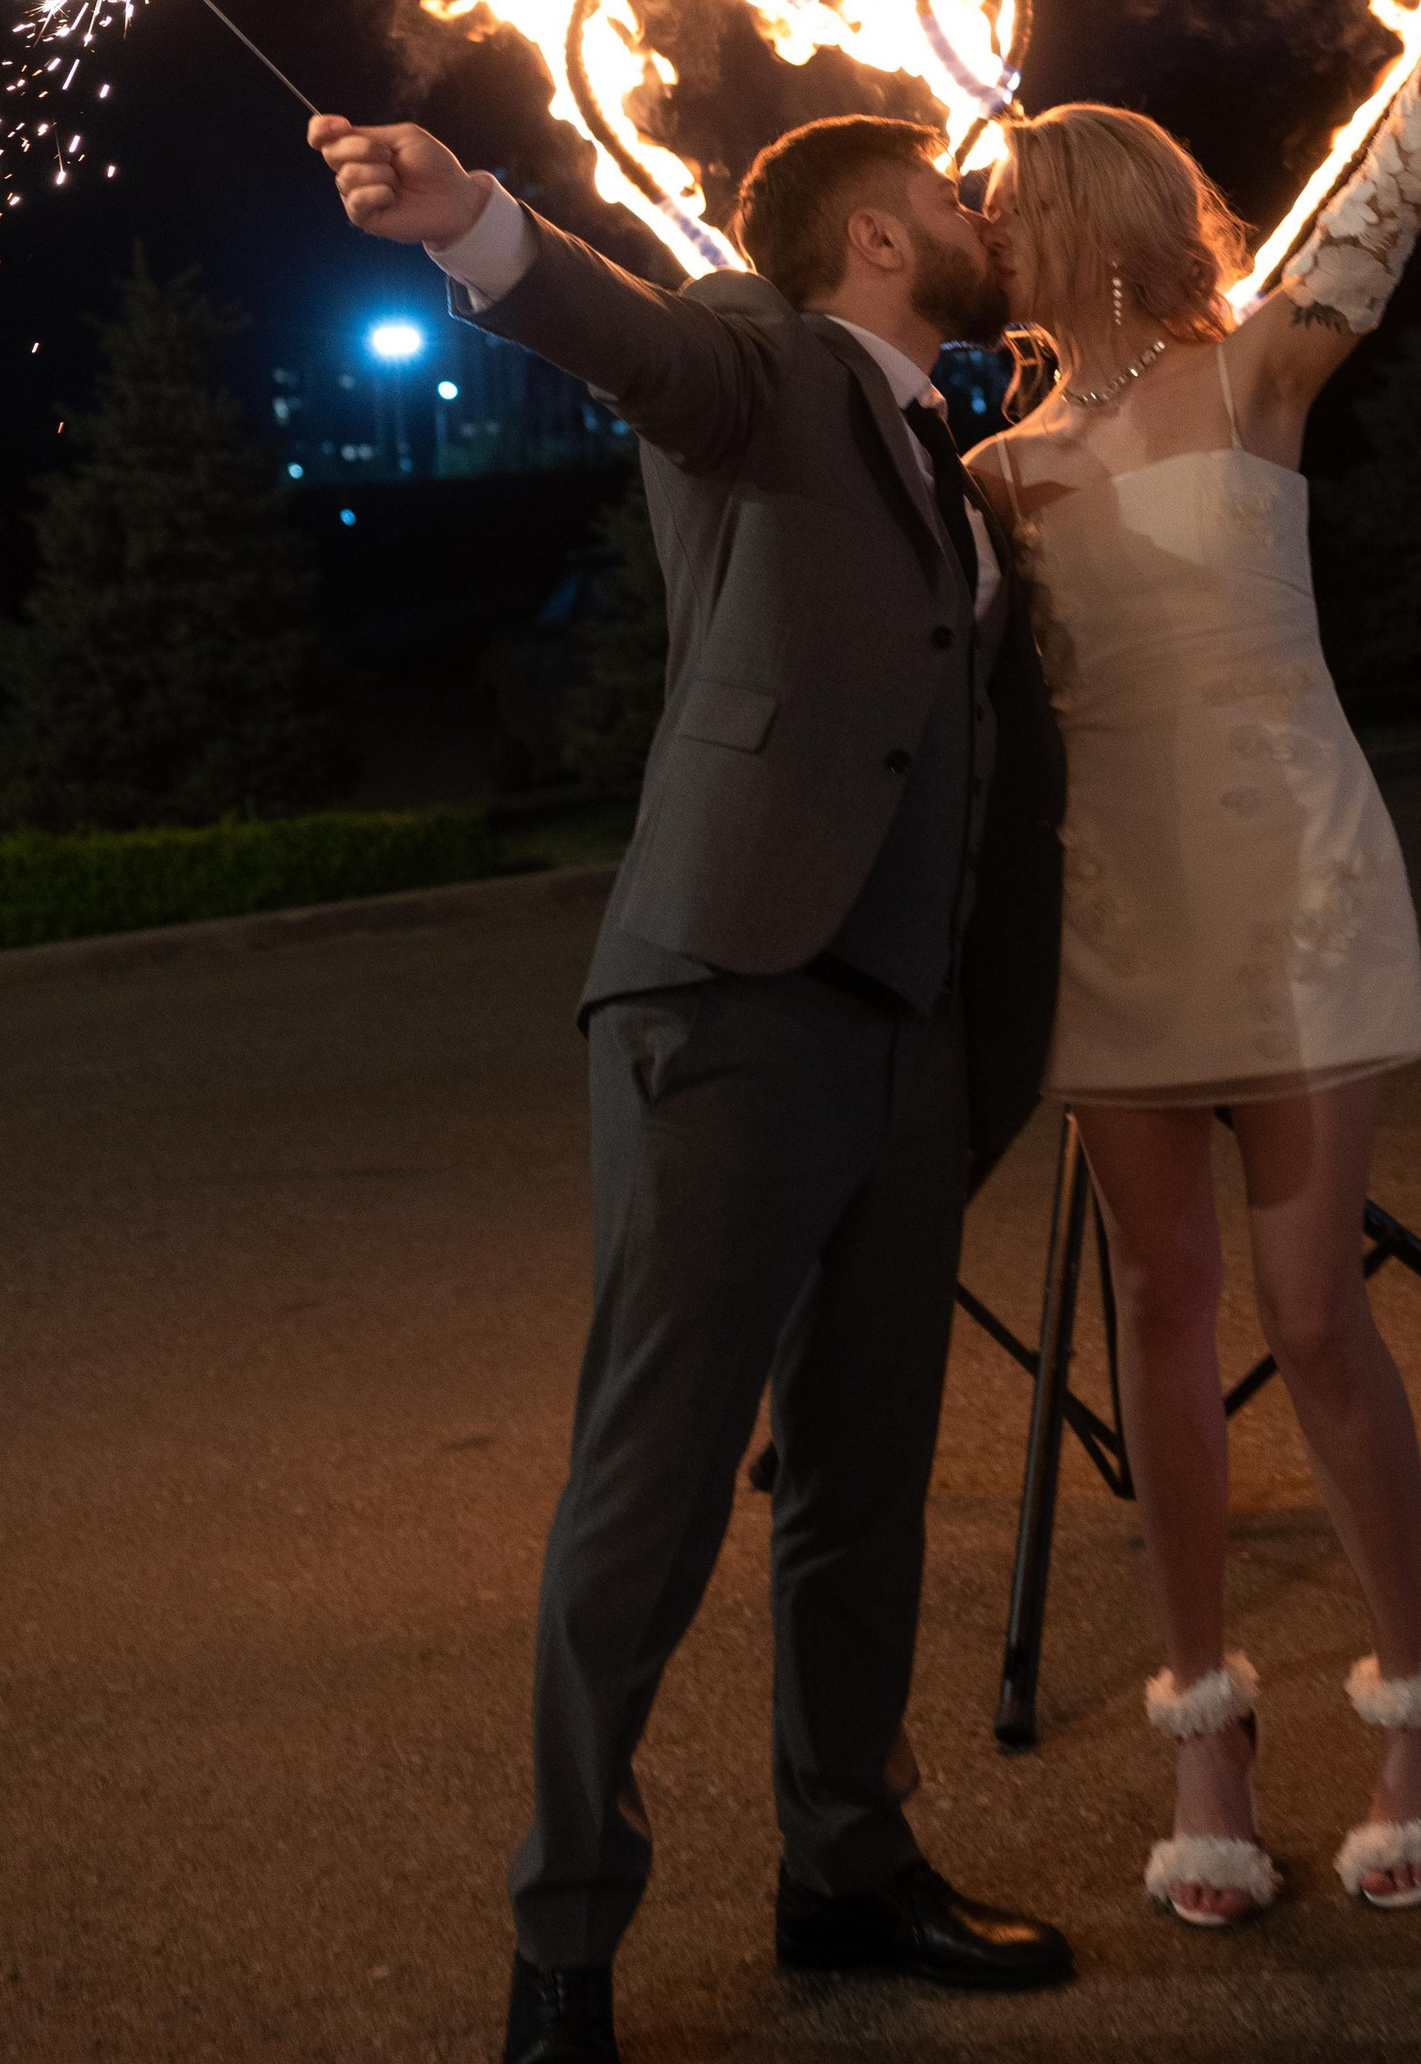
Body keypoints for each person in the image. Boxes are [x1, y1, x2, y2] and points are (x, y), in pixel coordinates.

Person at [309, 106, 1074, 2064]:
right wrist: (469, 220)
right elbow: (628, 339)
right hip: (728, 1007)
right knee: (648, 1499)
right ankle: (564, 1939)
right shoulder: (767, 373)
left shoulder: (952, 467)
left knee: (864, 1483)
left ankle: (846, 1865)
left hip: (900, 1031)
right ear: (878, 232)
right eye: (952, 191)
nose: (980, 209)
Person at [969, 0, 1421, 1929]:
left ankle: (1410, 1720)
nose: (995, 239)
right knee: (1158, 1322)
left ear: (1115, 218)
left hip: (1298, 882)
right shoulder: (990, 472)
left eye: (1020, 208)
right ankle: (1200, 1726)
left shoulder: (1265, 371)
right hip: (1112, 917)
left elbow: (1407, 165)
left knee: (1315, 1311)